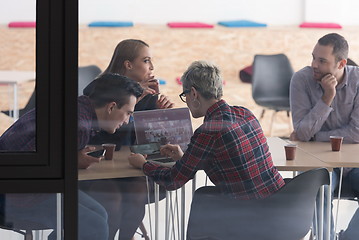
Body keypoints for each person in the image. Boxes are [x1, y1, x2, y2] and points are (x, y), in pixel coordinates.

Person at [0, 73, 142, 239]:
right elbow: (34, 168)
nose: (127, 121)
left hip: (20, 187)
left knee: (100, 214)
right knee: (94, 225)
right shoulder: (80, 126)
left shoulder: (77, 108)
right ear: (111, 107)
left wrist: (69, 161)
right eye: (128, 113)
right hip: (16, 196)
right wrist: (70, 162)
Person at [129, 60, 285, 201]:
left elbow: (173, 180)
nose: (187, 101)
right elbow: (229, 160)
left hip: (247, 213)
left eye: (185, 95)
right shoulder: (245, 113)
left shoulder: (208, 131)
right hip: (278, 204)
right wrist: (184, 158)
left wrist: (143, 164)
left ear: (194, 93)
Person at [80, 39, 171, 240]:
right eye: (146, 60)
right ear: (128, 64)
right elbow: (102, 132)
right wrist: (132, 98)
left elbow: (147, 140)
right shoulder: (100, 87)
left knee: (138, 193)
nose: (152, 67)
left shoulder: (149, 95)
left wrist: (158, 114)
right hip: (97, 165)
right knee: (113, 200)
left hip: (127, 165)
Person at [290, 33, 359, 240]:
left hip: (356, 164)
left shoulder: (358, 81)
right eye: (313, 57)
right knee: (319, 189)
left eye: (322, 61)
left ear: (341, 64)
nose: (314, 64)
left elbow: (357, 132)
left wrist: (314, 136)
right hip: (321, 163)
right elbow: (301, 133)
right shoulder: (301, 80)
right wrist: (326, 99)